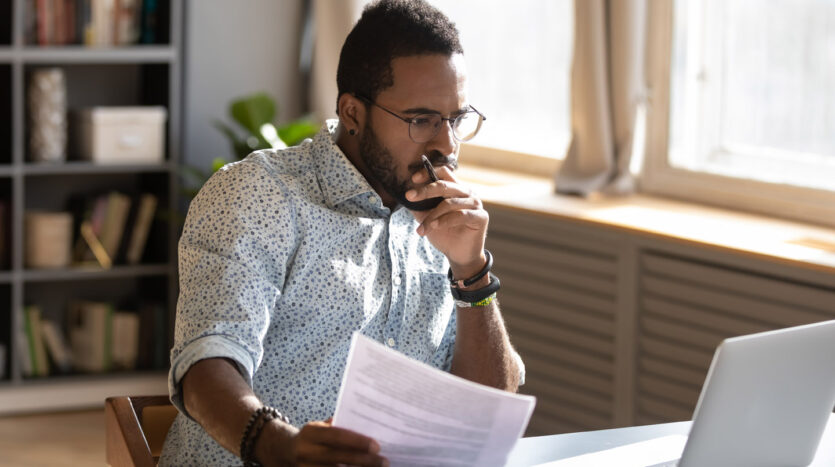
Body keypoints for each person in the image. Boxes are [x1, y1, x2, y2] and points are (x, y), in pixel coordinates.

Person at [159, 0, 524, 465]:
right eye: (421, 120)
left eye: (455, 119)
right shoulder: (258, 195)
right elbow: (206, 363)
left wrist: (471, 271)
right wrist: (279, 447)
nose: (446, 145)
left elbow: (487, 414)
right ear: (352, 112)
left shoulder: (444, 222)